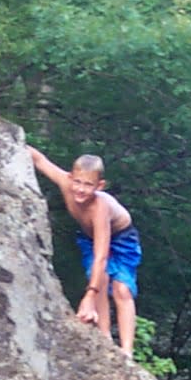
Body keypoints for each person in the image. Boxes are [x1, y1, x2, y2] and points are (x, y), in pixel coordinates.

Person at [28, 145, 141, 356]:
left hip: (122, 238)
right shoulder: (65, 182)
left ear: (100, 186)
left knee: (122, 289)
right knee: (101, 278)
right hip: (90, 239)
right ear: (71, 177)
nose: (80, 189)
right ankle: (105, 336)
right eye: (77, 182)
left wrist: (89, 296)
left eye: (88, 185)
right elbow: (39, 160)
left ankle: (127, 350)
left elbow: (102, 256)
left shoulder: (100, 207)